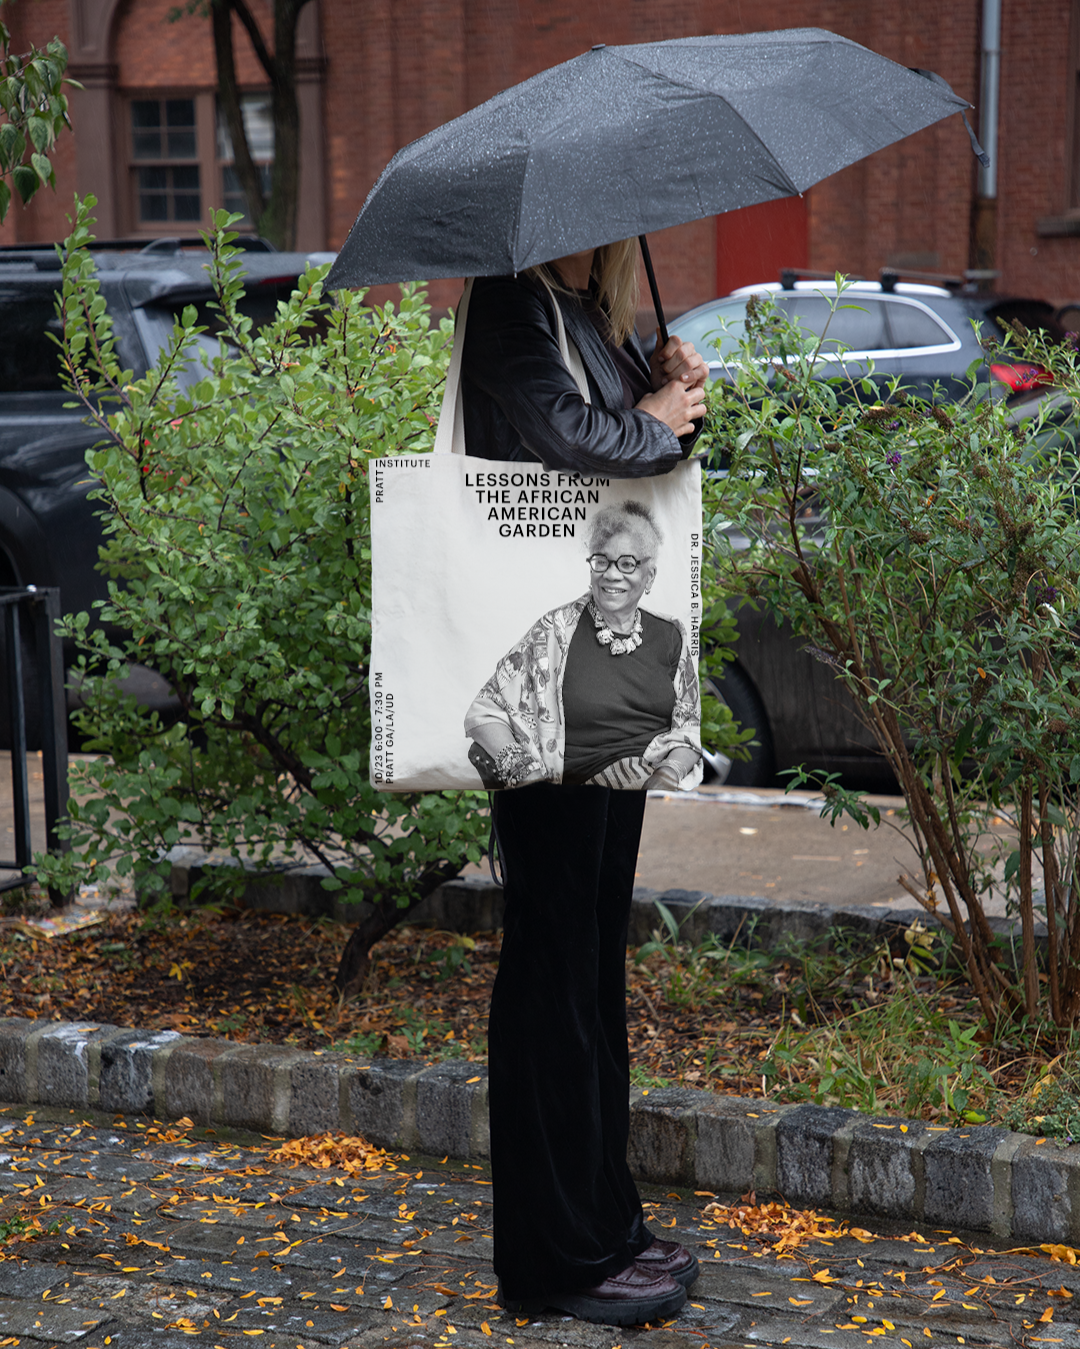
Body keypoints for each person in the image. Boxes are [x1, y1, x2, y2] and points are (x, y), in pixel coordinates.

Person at [461, 239, 708, 1327]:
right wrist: (650, 410)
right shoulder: (513, 310)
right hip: (542, 679)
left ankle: (604, 1220)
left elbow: (646, 458)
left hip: (608, 681)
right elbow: (569, 437)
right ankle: (552, 1256)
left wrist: (677, 386)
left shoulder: (591, 320)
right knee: (551, 960)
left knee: (591, 961)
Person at [464, 500, 701, 791]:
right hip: (577, 800)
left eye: (627, 564)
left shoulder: (671, 635)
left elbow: (687, 730)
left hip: (651, 794)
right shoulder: (554, 632)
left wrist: (668, 775)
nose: (612, 574)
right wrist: (524, 773)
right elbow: (485, 713)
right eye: (601, 561)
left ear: (648, 576)